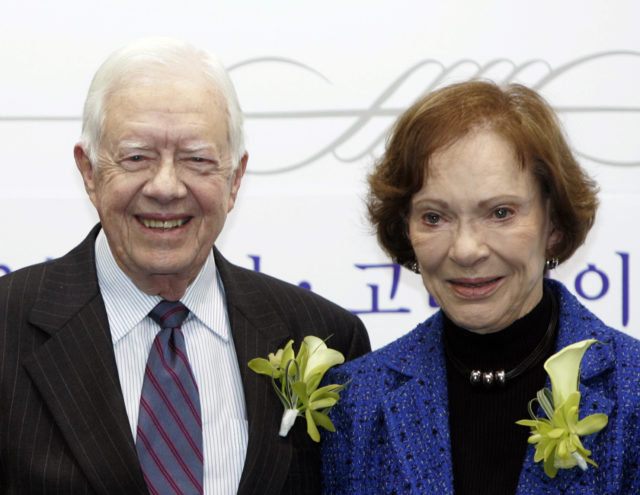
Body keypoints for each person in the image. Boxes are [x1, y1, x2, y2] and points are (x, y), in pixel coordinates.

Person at [0, 37, 370, 495]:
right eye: (137, 157)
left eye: (197, 160)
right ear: (90, 171)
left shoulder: (326, 337)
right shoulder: (6, 326)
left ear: (235, 179)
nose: (166, 187)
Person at [321, 80, 640, 494]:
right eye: (434, 217)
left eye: (500, 212)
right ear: (406, 229)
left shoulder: (632, 391)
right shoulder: (357, 403)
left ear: (554, 224)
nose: (466, 250)